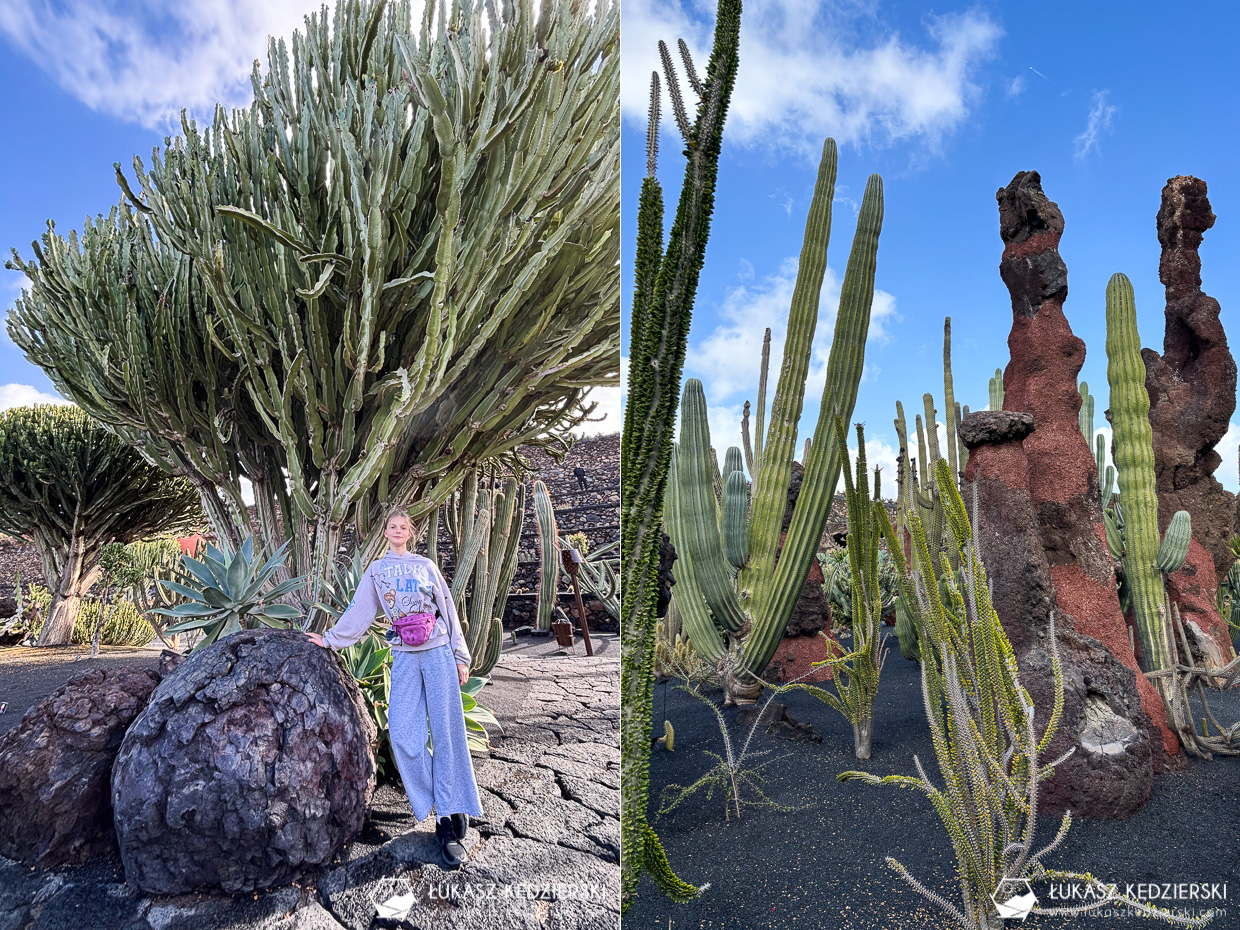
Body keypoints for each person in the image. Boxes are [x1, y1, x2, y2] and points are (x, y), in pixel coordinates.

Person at [305, 507, 485, 868]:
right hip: (404, 654)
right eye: (392, 526)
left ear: (410, 532)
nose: (398, 530)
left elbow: (447, 609)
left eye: (404, 526)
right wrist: (330, 639)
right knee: (403, 734)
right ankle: (442, 798)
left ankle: (447, 816)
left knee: (447, 733)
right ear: (385, 532)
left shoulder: (425, 565)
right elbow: (360, 611)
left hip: (438, 653)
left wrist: (460, 656)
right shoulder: (377, 570)